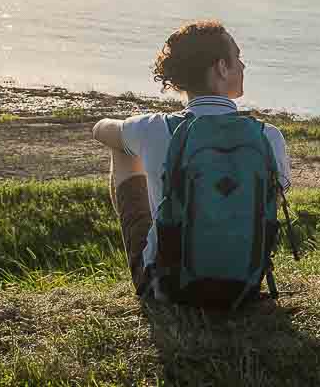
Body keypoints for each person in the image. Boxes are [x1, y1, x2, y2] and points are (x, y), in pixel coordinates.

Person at [92, 20, 292, 300]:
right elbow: (274, 199)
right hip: (243, 286)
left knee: (122, 148)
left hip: (168, 289)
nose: (243, 66)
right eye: (238, 58)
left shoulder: (155, 128)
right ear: (222, 68)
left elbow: (100, 130)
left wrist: (133, 134)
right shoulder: (268, 136)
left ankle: (153, 253)